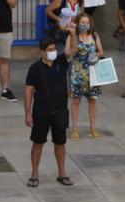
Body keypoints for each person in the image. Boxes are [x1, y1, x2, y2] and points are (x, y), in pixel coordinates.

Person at [25, 39, 74, 188]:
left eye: (54, 49)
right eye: (49, 49)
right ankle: (34, 174)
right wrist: (28, 113)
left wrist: (72, 32)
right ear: (42, 51)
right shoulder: (35, 69)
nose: (52, 52)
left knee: (60, 143)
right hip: (41, 112)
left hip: (60, 111)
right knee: (38, 143)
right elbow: (28, 91)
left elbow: (73, 49)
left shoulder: (61, 62)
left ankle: (62, 173)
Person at [66, 13, 104, 140]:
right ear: (77, 23)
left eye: (87, 22)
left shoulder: (94, 35)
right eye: (82, 22)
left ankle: (93, 128)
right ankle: (75, 130)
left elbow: (101, 52)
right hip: (77, 73)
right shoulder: (72, 36)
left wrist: (96, 55)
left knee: (92, 100)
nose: (85, 25)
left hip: (92, 73)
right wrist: (72, 37)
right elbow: (68, 54)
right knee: (76, 101)